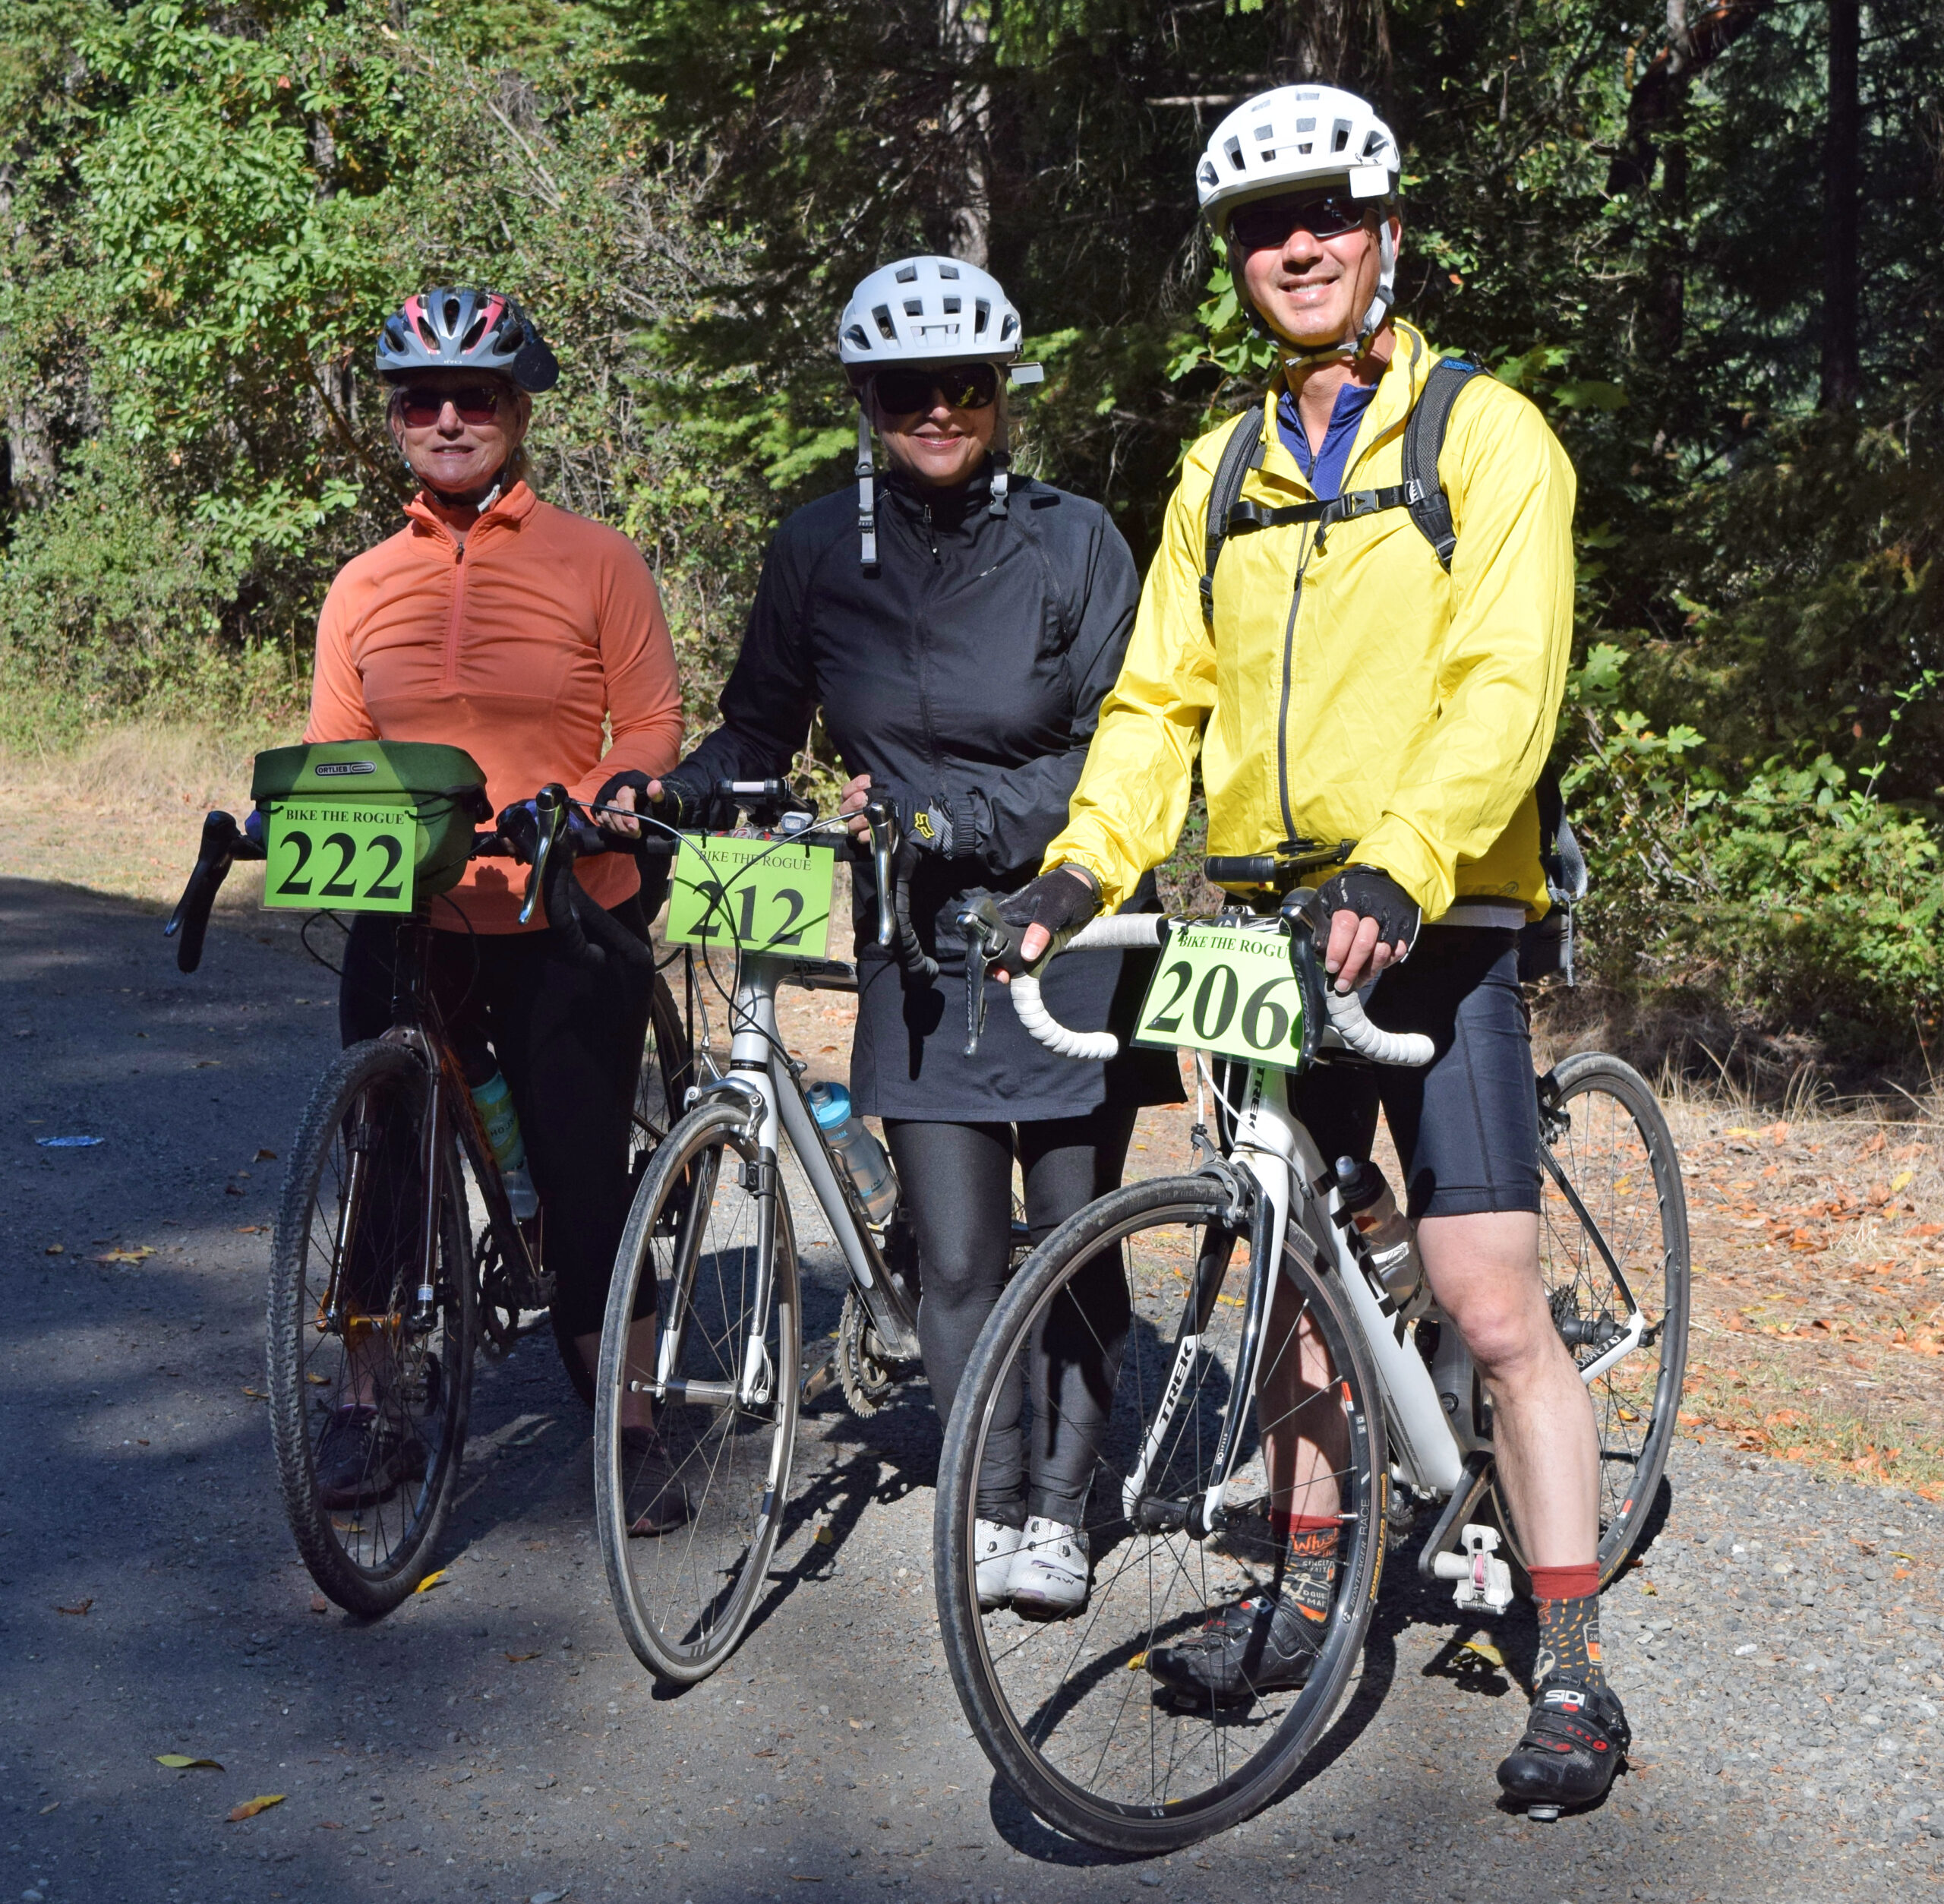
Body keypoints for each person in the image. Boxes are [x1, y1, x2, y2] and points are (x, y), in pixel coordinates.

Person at [1002, 86, 1624, 1809]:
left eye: (1324, 216)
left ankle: (1567, 1661)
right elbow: (1153, 705)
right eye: (1263, 227)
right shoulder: (1223, 469)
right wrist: (1075, 873)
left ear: (1384, 234)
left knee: (1491, 1301)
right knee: (1282, 1276)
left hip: (1433, 915)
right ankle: (1297, 1588)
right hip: (1268, 921)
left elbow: (1507, 681)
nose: (1294, 245)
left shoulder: (1487, 439)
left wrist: (1405, 868)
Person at [647, 255, 1182, 1616]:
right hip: (919, 944)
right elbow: (760, 729)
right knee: (952, 1252)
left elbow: (1119, 752)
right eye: (906, 391)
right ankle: (989, 1500)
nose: (936, 410)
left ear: (1002, 395)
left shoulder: (1077, 541)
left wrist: (959, 820)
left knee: (1071, 1232)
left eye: (964, 387)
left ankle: (1064, 1501)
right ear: (867, 401)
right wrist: (672, 793)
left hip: (1074, 924)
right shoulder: (820, 547)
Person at [305, 286, 686, 1520]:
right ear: (400, 422)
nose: (451, 418)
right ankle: (370, 1402)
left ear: (519, 412)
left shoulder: (597, 558)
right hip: (415, 909)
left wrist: (610, 797)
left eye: (478, 398)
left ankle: (623, 1416)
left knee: (582, 1176)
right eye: (426, 399)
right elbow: (338, 748)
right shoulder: (363, 583)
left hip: (566, 905)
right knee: (382, 1160)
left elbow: (656, 722)